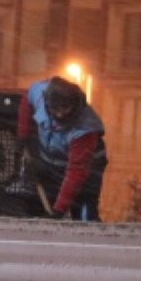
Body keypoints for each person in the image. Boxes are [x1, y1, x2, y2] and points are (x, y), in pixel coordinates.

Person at [14, 74, 108, 221]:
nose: (59, 113)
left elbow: (76, 172)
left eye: (65, 108)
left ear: (74, 104)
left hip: (87, 168)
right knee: (37, 204)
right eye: (54, 109)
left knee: (83, 212)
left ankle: (87, 237)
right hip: (51, 161)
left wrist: (58, 211)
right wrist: (24, 137)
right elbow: (28, 100)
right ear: (47, 102)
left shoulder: (84, 130)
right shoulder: (39, 93)